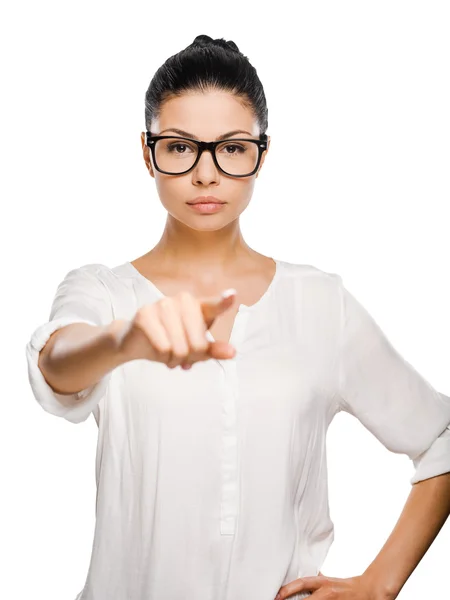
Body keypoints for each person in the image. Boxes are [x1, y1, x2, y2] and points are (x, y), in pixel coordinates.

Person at [25, 35, 450, 600]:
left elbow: (440, 436)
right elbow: (58, 363)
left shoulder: (320, 303)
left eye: (231, 147)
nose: (206, 173)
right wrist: (124, 339)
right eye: (180, 147)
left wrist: (379, 584)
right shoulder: (102, 291)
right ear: (147, 152)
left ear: (262, 153)